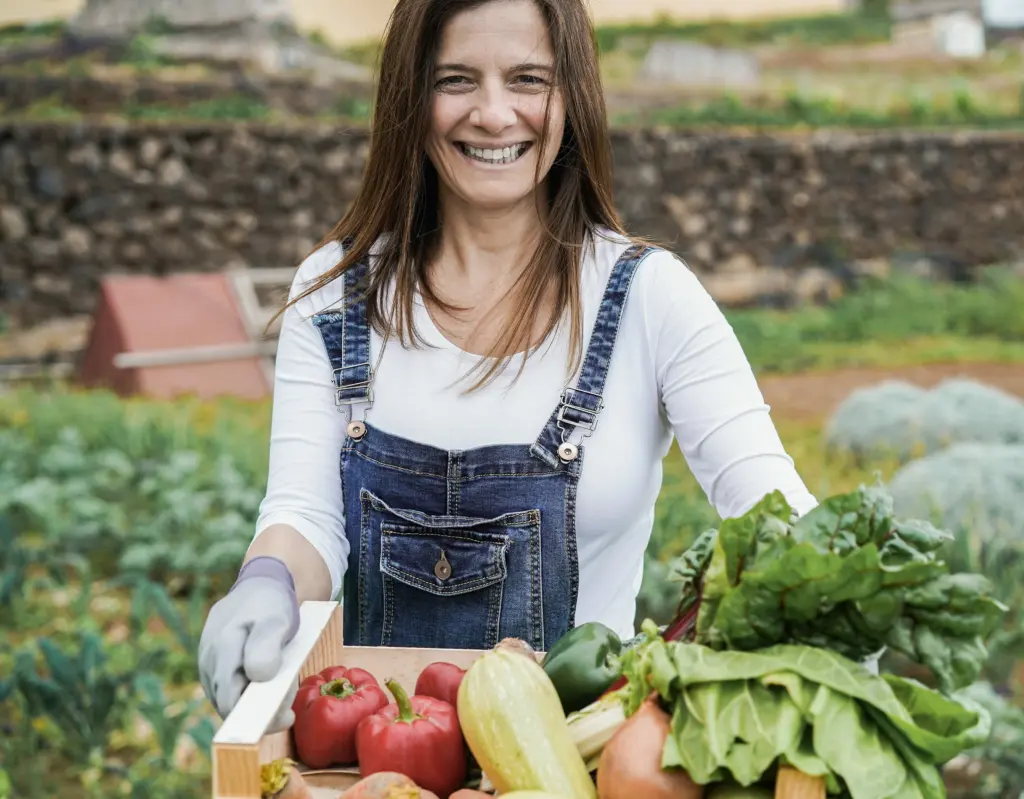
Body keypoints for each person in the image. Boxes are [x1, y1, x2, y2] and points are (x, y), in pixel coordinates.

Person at [197, 0, 820, 732]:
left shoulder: (651, 297)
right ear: (409, 96)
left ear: (573, 97)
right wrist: (267, 580)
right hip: (377, 763)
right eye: (456, 80)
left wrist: (823, 599)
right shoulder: (335, 291)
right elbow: (305, 516)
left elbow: (771, 512)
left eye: (528, 79)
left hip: (583, 763)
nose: (494, 115)